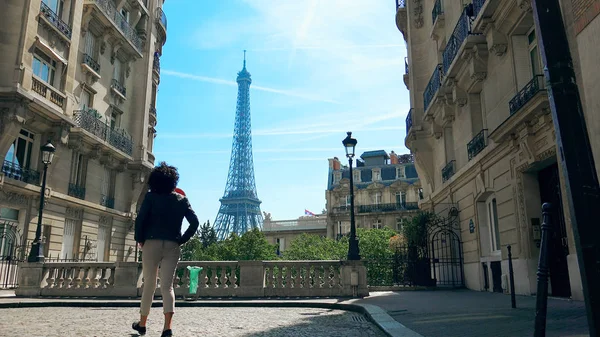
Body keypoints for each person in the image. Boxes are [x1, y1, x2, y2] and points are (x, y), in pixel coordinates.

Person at [132, 162, 200, 337]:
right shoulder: (181, 200)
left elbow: (140, 220)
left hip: (151, 243)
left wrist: (139, 239)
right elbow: (195, 223)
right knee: (167, 287)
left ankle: (142, 323)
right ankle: (167, 327)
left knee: (149, 284)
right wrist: (181, 240)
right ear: (173, 182)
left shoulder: (150, 197)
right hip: (172, 244)